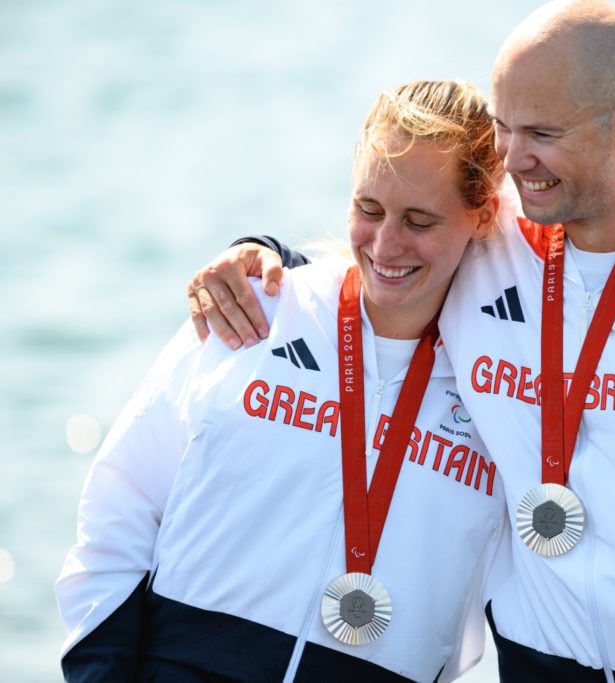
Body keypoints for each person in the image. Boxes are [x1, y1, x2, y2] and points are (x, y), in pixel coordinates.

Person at [189, 1, 615, 681]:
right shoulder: (490, 247)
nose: (512, 160)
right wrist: (260, 252)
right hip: (534, 665)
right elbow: (386, 259)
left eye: (543, 135)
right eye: (504, 128)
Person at [56, 80, 513, 683]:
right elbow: (121, 501)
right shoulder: (257, 310)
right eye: (368, 210)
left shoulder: (509, 377)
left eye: (419, 220)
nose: (384, 244)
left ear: (482, 214)